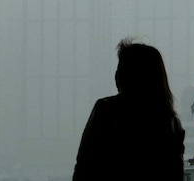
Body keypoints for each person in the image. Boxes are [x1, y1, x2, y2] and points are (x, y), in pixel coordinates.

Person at [73, 38, 185, 181]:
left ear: (129, 75)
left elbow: (85, 165)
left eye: (120, 68)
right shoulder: (172, 122)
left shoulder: (106, 110)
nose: (116, 74)